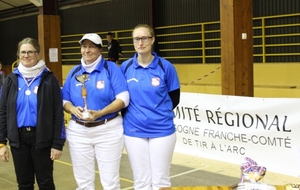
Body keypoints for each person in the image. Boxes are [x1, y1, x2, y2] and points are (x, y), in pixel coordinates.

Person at [62, 33, 129, 190]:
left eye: (92, 46)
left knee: (110, 182)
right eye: (84, 46)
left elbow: (124, 98)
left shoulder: (111, 68)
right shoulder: (74, 72)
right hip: (78, 131)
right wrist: (72, 109)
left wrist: (100, 113)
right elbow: (64, 100)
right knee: (83, 183)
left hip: (108, 130)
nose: (87, 50)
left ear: (100, 49)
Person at [120, 24, 181, 190]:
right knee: (141, 181)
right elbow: (121, 99)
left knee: (161, 180)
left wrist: (156, 113)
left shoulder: (165, 67)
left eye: (145, 38)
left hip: (162, 131)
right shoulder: (125, 67)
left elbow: (174, 98)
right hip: (134, 131)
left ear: (152, 40)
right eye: (137, 39)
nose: (141, 42)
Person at [0, 37, 66, 190]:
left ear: (38, 54)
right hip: (19, 140)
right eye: (22, 52)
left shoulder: (49, 79)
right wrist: (1, 142)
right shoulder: (11, 80)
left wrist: (58, 144)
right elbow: (3, 112)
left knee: (45, 183)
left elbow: (58, 113)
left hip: (42, 138)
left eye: (30, 52)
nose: (26, 55)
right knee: (24, 184)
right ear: (18, 54)